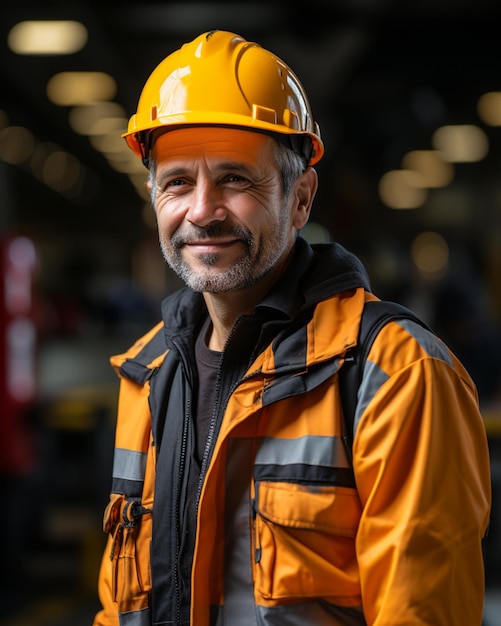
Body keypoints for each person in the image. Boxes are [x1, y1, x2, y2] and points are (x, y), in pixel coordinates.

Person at [92, 30, 491, 626]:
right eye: (177, 182)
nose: (201, 210)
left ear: (300, 197)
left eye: (235, 179)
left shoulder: (396, 377)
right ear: (153, 197)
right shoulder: (146, 375)